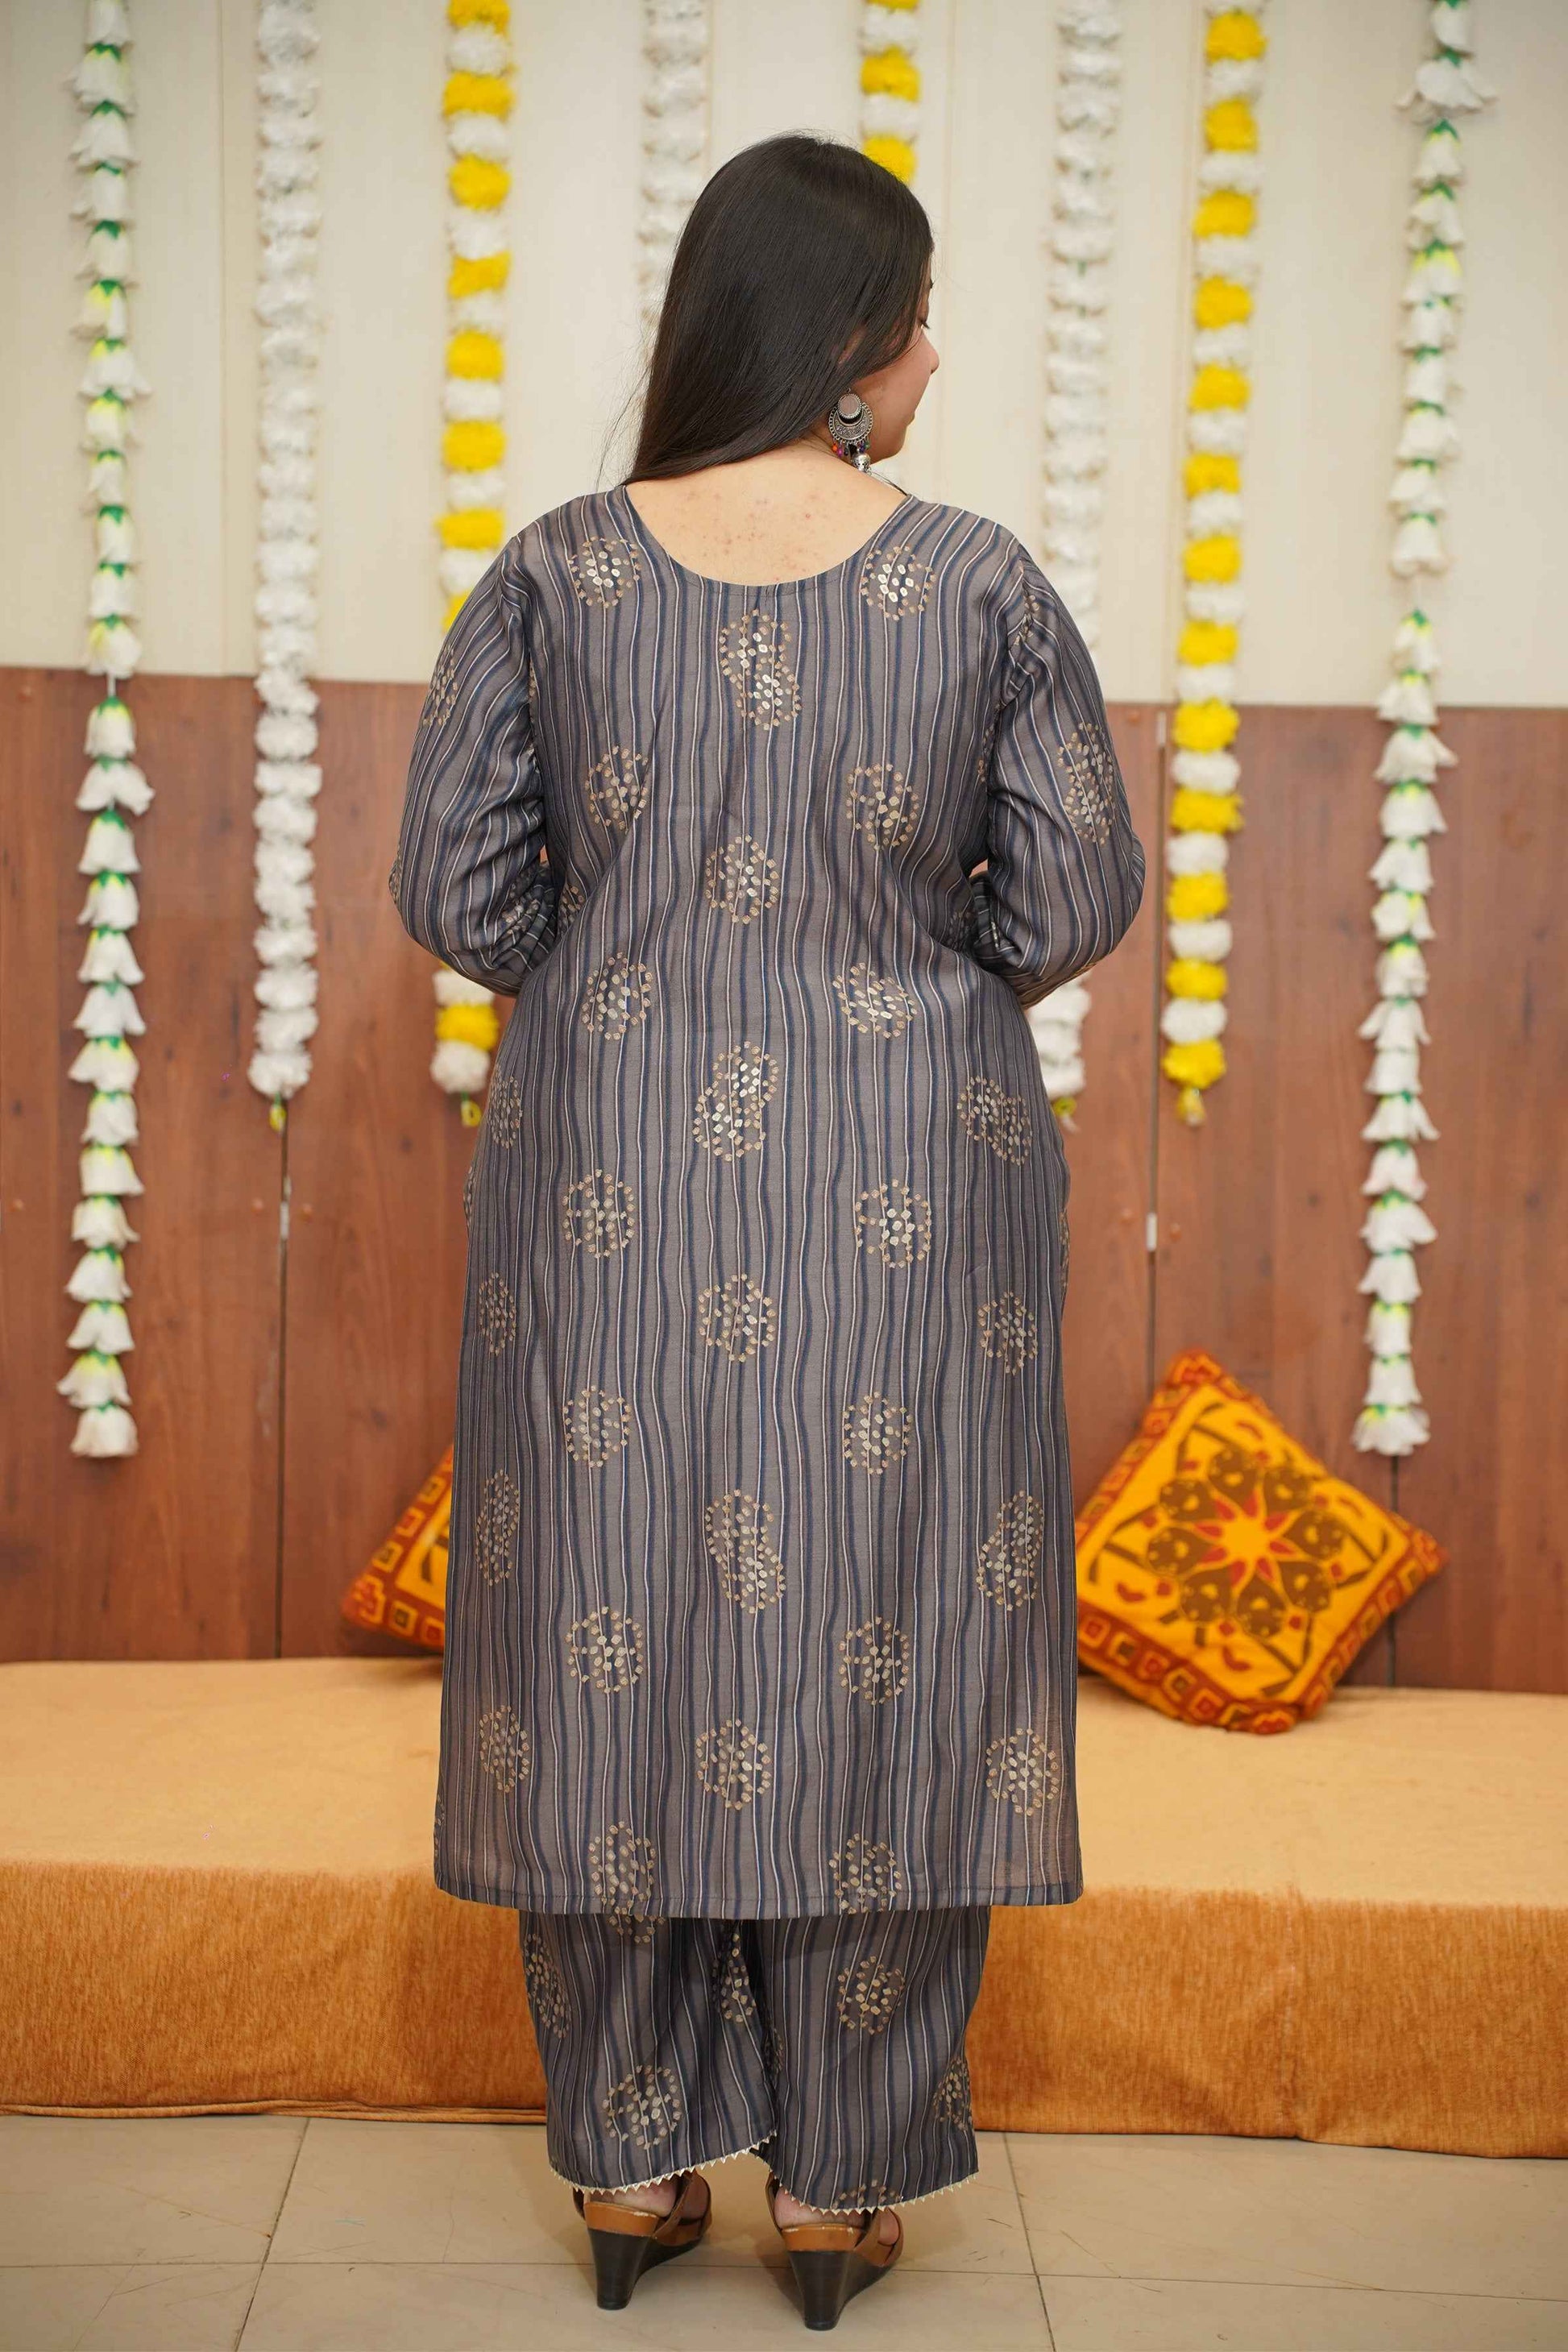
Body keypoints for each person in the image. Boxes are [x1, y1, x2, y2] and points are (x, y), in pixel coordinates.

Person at [393, 131, 1145, 2332]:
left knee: (602, 1628)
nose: (932, 362)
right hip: (911, 1183)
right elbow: (1075, 888)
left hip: (606, 1176)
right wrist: (895, 986)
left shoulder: (556, 572)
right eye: (916, 319)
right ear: (844, 340)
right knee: (887, 1632)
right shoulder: (976, 584)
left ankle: (631, 2171)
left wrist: (627, 984)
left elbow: (457, 889)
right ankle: (838, 2188)